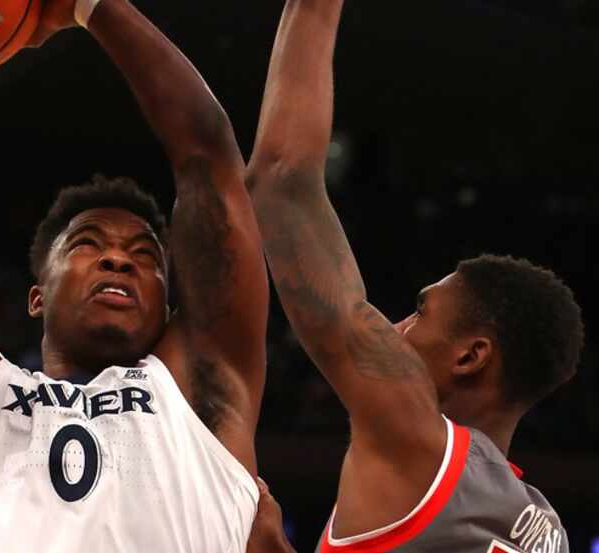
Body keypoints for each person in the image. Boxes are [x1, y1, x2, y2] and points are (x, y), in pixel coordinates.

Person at [0, 0, 269, 551]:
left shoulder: (203, 390)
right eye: (89, 244)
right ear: (37, 297)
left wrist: (92, 7)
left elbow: (208, 156)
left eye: (145, 256)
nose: (119, 259)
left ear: (169, 309)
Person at [246, 1, 585, 551]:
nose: (397, 326)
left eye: (419, 313)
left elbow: (281, 183)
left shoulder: (420, 443)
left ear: (470, 356)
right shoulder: (546, 529)